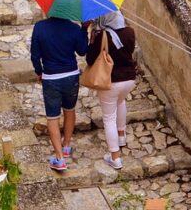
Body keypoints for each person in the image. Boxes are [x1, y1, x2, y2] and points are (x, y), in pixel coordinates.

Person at [30, 15, 89, 172]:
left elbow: (35, 55)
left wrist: (39, 71)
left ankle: (59, 158)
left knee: (52, 117)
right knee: (69, 110)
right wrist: (84, 29)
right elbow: (83, 51)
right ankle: (66, 146)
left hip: (51, 78)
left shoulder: (40, 27)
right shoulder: (74, 28)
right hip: (71, 75)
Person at [86, 10, 137, 170]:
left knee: (108, 118)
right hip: (129, 79)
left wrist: (93, 39)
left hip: (110, 81)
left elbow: (89, 59)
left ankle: (115, 158)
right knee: (121, 103)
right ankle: (121, 136)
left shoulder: (102, 36)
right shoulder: (130, 32)